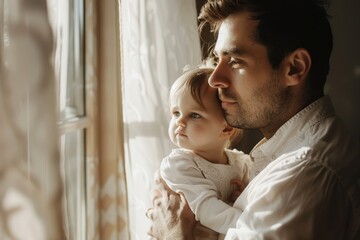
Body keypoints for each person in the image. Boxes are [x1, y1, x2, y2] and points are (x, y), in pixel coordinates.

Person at [147, 0, 360, 239]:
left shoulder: (303, 174)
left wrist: (173, 233)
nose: (214, 79)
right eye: (217, 60)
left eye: (236, 61)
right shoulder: (285, 152)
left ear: (295, 68)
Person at [158, 67, 252, 240]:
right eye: (176, 112)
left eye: (194, 115)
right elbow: (206, 208)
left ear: (226, 128)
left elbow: (255, 199)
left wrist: (244, 197)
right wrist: (250, 225)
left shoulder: (241, 162)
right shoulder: (179, 164)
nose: (179, 121)